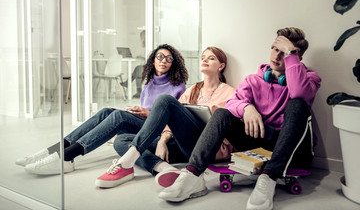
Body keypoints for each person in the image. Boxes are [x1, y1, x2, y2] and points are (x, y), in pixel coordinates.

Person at [158, 27, 322, 209]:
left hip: (294, 148)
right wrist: (246, 108)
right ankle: (193, 175)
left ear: (296, 57)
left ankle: (268, 178)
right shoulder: (253, 80)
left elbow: (299, 91)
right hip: (260, 142)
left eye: (284, 53)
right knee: (222, 113)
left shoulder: (310, 78)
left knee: (297, 103)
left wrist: (291, 53)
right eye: (275, 49)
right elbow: (232, 104)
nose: (277, 56)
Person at [16, 44, 188, 175]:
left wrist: (147, 113)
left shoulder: (179, 87)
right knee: (107, 111)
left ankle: (66, 157)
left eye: (168, 59)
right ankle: (52, 151)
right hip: (143, 124)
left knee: (118, 116)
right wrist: (139, 112)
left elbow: (172, 121)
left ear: (173, 63)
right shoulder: (149, 83)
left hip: (159, 131)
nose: (163, 61)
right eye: (160, 56)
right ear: (153, 59)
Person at [94, 47, 236, 188]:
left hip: (206, 150)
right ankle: (163, 168)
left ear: (221, 66)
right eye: (203, 57)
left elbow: (230, 131)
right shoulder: (193, 90)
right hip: (183, 147)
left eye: (211, 58)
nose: (205, 60)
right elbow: (172, 121)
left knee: (165, 100)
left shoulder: (230, 93)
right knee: (121, 140)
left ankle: (126, 163)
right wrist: (162, 141)